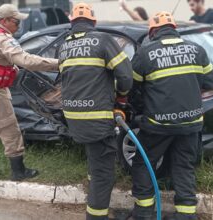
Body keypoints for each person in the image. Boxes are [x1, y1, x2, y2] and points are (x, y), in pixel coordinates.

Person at [129, 11, 213, 220]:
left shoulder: (145, 53)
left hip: (158, 125)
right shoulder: (198, 50)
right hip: (191, 123)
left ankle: (144, 211)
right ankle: (186, 214)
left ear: (152, 32)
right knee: (183, 165)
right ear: (175, 29)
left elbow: (131, 87)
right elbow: (210, 82)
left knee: (143, 162)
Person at [0, 4, 58, 182]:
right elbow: (26, 60)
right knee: (10, 130)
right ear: (5, 20)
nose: (18, 26)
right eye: (16, 22)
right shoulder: (1, 38)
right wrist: (58, 63)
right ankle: (19, 171)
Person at [58, 3, 133, 219]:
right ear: (94, 22)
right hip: (98, 118)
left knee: (95, 161)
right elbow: (126, 76)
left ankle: (94, 199)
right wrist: (121, 97)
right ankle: (96, 215)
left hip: (73, 117)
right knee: (104, 174)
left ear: (72, 23)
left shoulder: (64, 46)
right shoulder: (103, 40)